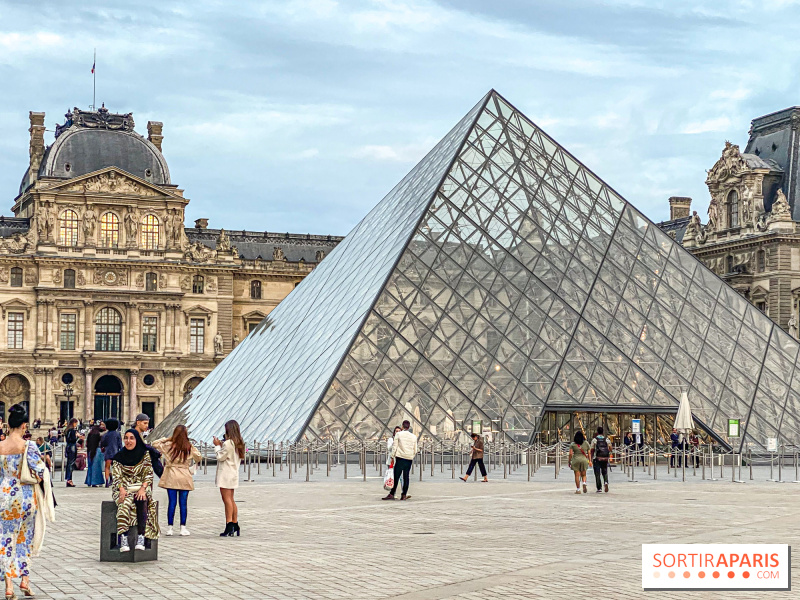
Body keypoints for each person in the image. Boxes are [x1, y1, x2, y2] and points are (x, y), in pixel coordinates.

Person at [0, 404, 46, 598]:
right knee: (24, 539)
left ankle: (9, 585)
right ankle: (25, 580)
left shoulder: (0, 446)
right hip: (25, 495)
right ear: (24, 426)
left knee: (5, 539)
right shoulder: (29, 446)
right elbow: (40, 471)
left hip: (4, 494)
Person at [111, 430, 159, 552]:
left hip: (140, 487)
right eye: (126, 438)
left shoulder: (144, 455)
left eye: (132, 438)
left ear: (137, 440)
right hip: (123, 488)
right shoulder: (118, 457)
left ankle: (141, 537)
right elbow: (117, 477)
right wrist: (121, 489)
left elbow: (148, 474)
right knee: (124, 504)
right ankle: (123, 537)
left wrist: (143, 489)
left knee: (142, 498)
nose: (128, 441)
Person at [150, 425, 202, 536]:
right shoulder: (189, 446)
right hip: (184, 475)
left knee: (172, 502)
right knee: (183, 503)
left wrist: (167, 439)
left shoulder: (168, 445)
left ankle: (170, 528)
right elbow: (199, 457)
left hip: (172, 475)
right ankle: (183, 528)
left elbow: (154, 444)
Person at [213, 420, 245, 536]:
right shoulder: (239, 442)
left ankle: (229, 525)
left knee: (227, 500)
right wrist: (222, 445)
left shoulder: (228, 443)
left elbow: (220, 457)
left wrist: (217, 446)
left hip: (226, 474)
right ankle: (235, 523)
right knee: (231, 499)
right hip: (234, 473)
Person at [382, 420, 418, 501]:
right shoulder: (413, 437)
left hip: (400, 458)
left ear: (402, 426)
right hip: (408, 459)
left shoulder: (399, 434)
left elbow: (395, 446)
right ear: (409, 427)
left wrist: (392, 456)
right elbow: (415, 449)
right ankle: (404, 494)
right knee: (406, 477)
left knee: (396, 476)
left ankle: (392, 493)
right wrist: (411, 456)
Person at [134, 414, 163, 479]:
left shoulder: (138, 434)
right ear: (138, 423)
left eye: (147, 423)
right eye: (145, 423)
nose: (147, 426)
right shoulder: (134, 434)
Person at [101, 419, 123, 488]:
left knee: (107, 467)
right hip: (116, 452)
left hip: (108, 452)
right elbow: (120, 444)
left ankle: (107, 481)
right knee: (116, 468)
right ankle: (116, 481)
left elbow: (103, 443)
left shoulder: (105, 435)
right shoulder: (117, 434)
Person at [590, 426, 611, 493]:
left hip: (597, 458)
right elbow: (610, 448)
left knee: (597, 473)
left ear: (597, 432)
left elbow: (592, 450)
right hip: (605, 458)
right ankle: (606, 482)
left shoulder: (594, 440)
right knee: (604, 471)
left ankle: (599, 488)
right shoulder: (606, 440)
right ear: (603, 432)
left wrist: (591, 458)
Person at [64, 418, 82, 487]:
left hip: (68, 447)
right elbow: (73, 439)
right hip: (72, 447)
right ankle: (69, 480)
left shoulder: (67, 430)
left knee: (69, 463)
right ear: (74, 423)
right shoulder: (72, 431)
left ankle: (68, 479)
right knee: (71, 463)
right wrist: (77, 436)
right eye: (76, 423)